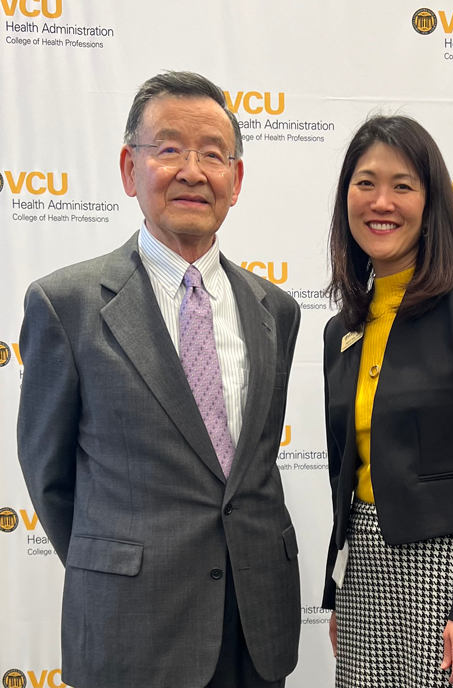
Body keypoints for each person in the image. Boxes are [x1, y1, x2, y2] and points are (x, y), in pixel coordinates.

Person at [17, 71, 301, 688]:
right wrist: (121, 565)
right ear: (129, 168)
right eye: (169, 149)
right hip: (131, 628)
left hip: (257, 628)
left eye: (213, 155)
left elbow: (253, 464)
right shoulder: (66, 305)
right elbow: (50, 476)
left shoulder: (275, 309)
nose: (193, 171)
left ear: (237, 179)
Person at [322, 115, 453, 687]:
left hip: (450, 579)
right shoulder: (342, 328)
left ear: (430, 201)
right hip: (365, 572)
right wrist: (338, 591)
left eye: (402, 185)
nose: (381, 201)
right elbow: (346, 476)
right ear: (346, 200)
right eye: (364, 183)